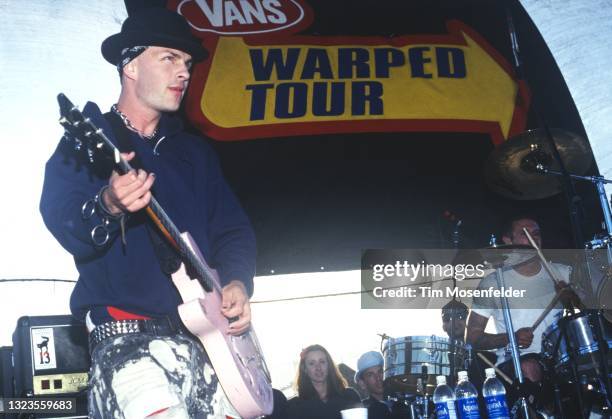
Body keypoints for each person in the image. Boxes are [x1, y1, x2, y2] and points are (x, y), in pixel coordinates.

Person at [40, 7, 256, 418]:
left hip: (207, 341)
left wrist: (238, 282)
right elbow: (62, 218)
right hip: (126, 335)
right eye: (169, 58)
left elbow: (234, 230)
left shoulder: (195, 153)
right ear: (131, 65)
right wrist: (108, 205)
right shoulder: (90, 139)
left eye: (188, 63)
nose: (184, 73)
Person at [466, 216, 578, 409]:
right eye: (525, 234)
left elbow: (595, 316)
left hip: (562, 358)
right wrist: (511, 338)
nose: (534, 237)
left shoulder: (562, 273)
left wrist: (574, 299)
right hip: (516, 363)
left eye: (536, 233)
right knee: (529, 366)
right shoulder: (492, 283)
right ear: (508, 241)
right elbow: (473, 338)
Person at [287, 344, 362, 419]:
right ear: (305, 369)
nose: (318, 367)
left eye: (322, 362)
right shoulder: (294, 407)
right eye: (312, 363)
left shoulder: (350, 396)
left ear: (329, 365)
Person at [354, 351, 393, 419]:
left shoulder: (404, 401)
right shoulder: (363, 412)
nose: (378, 378)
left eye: (380, 371)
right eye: (370, 374)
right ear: (362, 383)